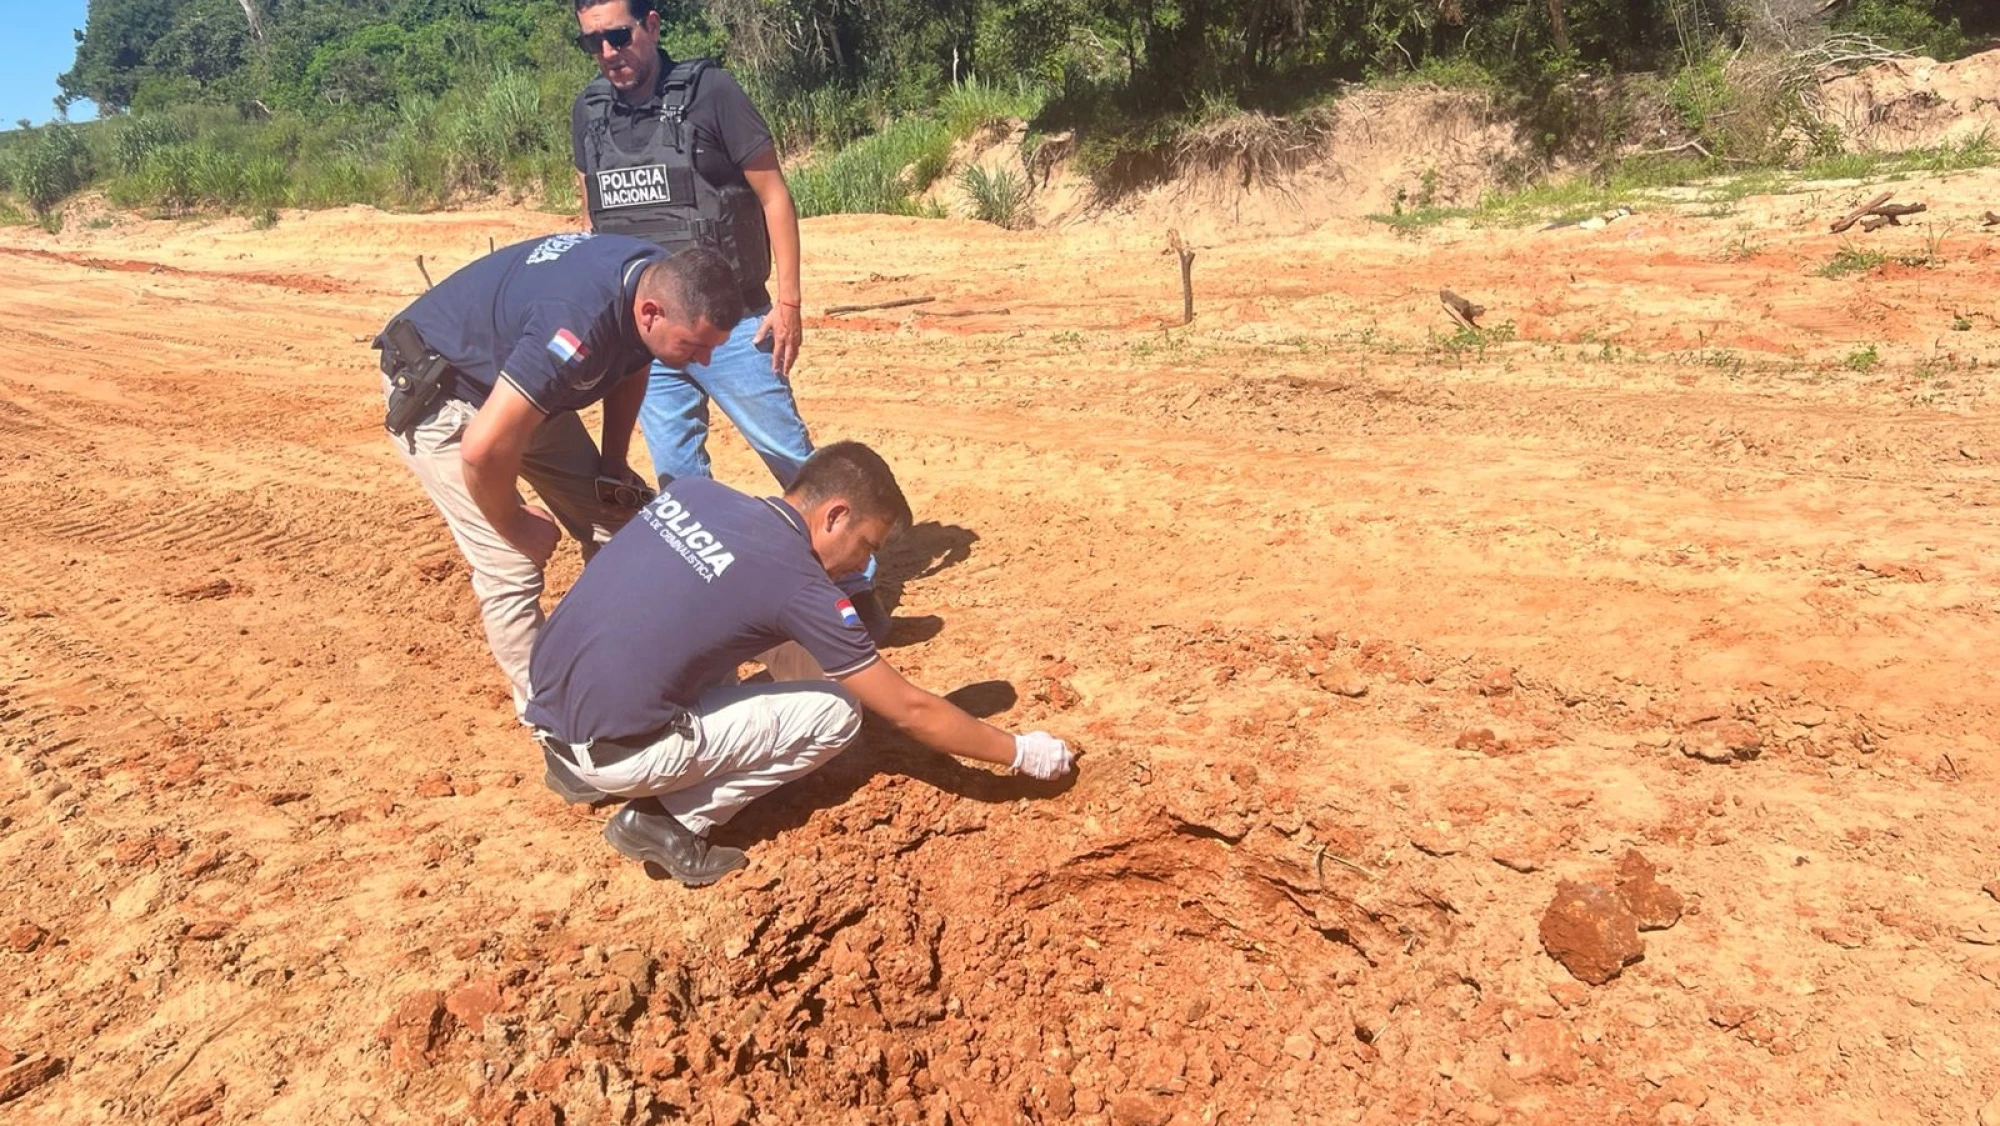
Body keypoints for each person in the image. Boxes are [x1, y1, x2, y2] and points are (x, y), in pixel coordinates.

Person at [523, 441, 1076, 887]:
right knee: (837, 713)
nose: (864, 565)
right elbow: (910, 709)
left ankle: (578, 766)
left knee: (741, 632)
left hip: (549, 711)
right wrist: (1021, 752)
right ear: (835, 515)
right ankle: (666, 820)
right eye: (866, 546)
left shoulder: (697, 495)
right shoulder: (797, 582)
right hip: (619, 752)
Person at [568, 0, 889, 637]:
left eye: (618, 36)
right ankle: (713, 601)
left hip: (736, 324)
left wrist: (790, 303)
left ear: (652, 26)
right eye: (593, 43)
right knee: (680, 478)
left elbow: (774, 193)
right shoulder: (589, 111)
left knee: (791, 458)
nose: (609, 53)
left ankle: (856, 586)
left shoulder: (711, 94)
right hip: (650, 342)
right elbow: (592, 216)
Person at [377, 232, 741, 719]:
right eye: (694, 346)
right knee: (511, 565)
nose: (705, 361)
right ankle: (560, 730)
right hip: (442, 395)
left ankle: (634, 671)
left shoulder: (653, 279)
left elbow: (633, 359)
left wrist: (612, 464)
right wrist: (514, 522)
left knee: (626, 526)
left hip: (519, 388)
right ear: (651, 313)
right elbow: (482, 448)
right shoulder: (577, 325)